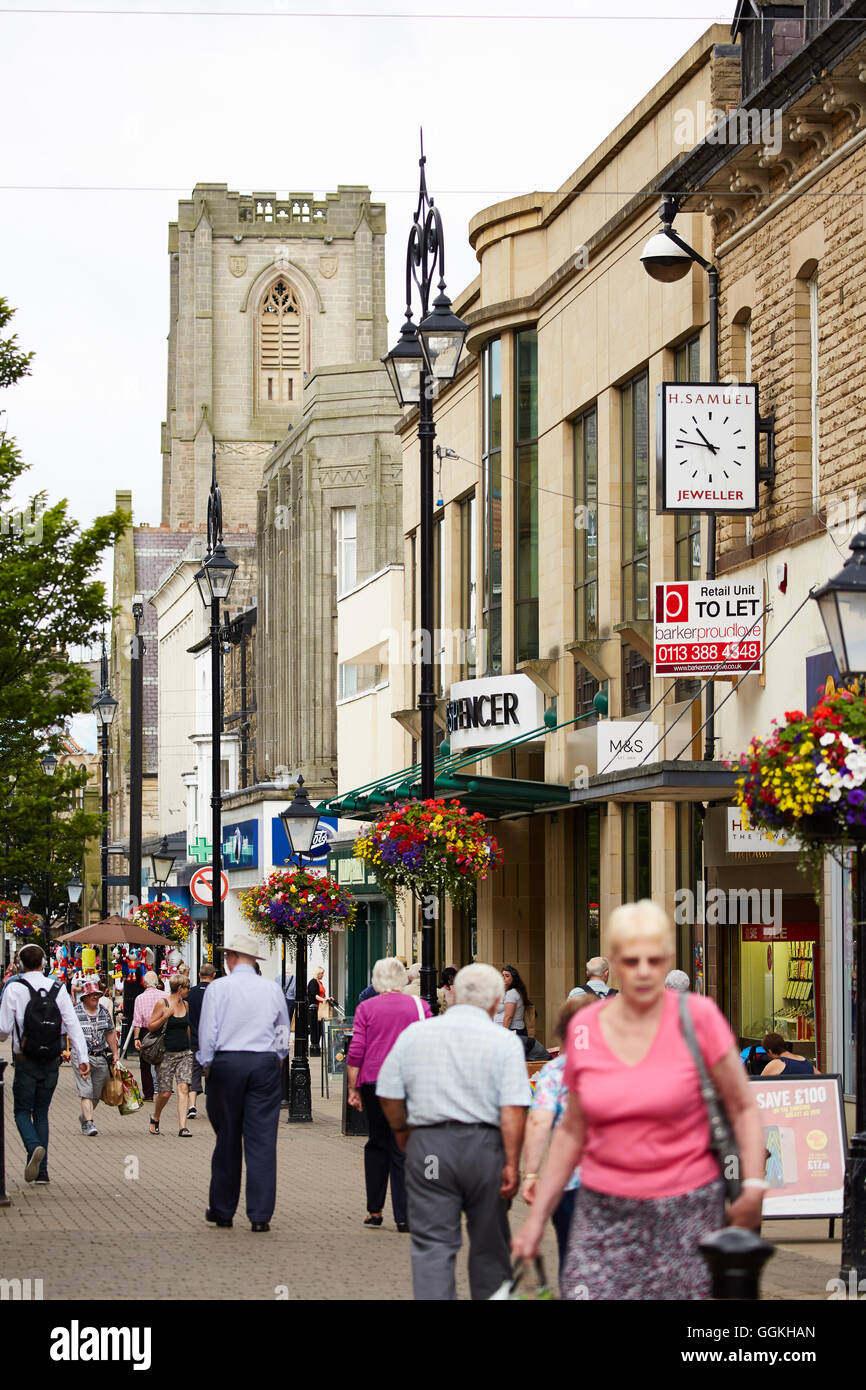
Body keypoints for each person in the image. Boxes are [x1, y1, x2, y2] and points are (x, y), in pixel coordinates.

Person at [512, 901, 767, 1301]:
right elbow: (572, 1129)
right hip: (602, 1207)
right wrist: (535, 1221)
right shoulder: (588, 1027)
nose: (644, 970)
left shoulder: (698, 1019)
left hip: (685, 1209)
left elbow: (743, 1106)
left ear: (667, 959)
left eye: (655, 959)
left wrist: (752, 1187)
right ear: (612, 962)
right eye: (632, 960)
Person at [377, 962, 532, 1301]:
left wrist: (403, 1131)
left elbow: (388, 1091)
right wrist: (511, 1161)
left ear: (455, 994)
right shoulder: (504, 1042)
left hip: (430, 1146)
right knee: (491, 1247)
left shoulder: (418, 1034)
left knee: (433, 1245)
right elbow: (513, 1109)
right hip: (485, 1148)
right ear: (496, 1002)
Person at [196, 932, 290, 1232]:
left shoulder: (218, 989)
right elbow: (282, 1030)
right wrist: (276, 1058)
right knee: (262, 1141)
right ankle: (260, 1216)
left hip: (228, 1062)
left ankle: (223, 1210)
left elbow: (208, 1032)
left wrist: (208, 1064)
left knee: (227, 1137)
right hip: (263, 1063)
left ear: (231, 959)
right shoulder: (271, 990)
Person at [346, 958, 432, 1232]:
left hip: (375, 1081)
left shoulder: (367, 1007)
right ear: (403, 979)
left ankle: (375, 1210)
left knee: (377, 1141)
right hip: (410, 1081)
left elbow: (357, 1049)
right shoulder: (420, 1006)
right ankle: (405, 1215)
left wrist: (352, 1087)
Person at [0, 942, 90, 1184]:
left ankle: (33, 1147)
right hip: (52, 1058)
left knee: (21, 1111)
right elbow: (72, 1024)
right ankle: (42, 1173)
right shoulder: (57, 988)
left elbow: (3, 1030)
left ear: (20, 963)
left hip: (25, 1058)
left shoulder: (14, 988)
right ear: (43, 964)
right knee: (41, 1113)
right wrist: (83, 1057)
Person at [521, 995, 595, 1278]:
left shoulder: (554, 1073)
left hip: (570, 1182)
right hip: (621, 1181)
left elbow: (539, 1122)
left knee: (571, 1253)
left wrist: (531, 1174)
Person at [69, 981, 119, 1136]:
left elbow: (110, 1033)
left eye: (97, 995)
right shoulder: (76, 1012)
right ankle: (89, 1123)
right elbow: (68, 1032)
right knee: (87, 1091)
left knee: (96, 1094)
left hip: (100, 1056)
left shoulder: (103, 1011)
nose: (95, 997)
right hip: (81, 1056)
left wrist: (115, 1054)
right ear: (84, 997)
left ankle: (85, 1116)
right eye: (92, 995)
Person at [147, 974, 194, 1137]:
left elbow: (187, 1027)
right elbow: (151, 1026)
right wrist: (165, 1016)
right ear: (180, 989)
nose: (189, 990)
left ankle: (183, 1127)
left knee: (183, 1087)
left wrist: (190, 1047)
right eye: (187, 987)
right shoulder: (163, 1003)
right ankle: (155, 1117)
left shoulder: (186, 1005)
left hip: (184, 1053)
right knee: (165, 1092)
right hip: (166, 1053)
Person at [131, 970, 166, 1104]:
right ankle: (164, 1090)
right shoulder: (165, 995)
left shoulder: (139, 998)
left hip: (146, 1032)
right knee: (161, 1061)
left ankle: (149, 1093)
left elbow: (137, 1021)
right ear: (157, 983)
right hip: (162, 1030)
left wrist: (136, 1038)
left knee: (144, 1064)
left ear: (145, 983)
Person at [186, 962, 216, 1118]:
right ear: (214, 975)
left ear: (199, 975)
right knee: (213, 1073)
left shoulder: (190, 994)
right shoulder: (217, 993)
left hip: (195, 1039)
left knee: (194, 1072)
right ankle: (213, 1106)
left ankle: (192, 1105)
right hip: (212, 1041)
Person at [493, 965, 529, 1036]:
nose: (503, 978)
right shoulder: (510, 992)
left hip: (512, 1031)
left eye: (507, 976)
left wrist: (503, 1034)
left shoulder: (512, 993)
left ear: (513, 979)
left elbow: (508, 1016)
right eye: (502, 975)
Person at [307, 966, 332, 1054]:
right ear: (318, 973)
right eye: (322, 973)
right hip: (314, 1008)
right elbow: (315, 995)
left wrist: (328, 998)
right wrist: (323, 1000)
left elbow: (322, 994)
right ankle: (314, 1046)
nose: (323, 975)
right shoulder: (313, 982)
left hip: (320, 1008)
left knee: (319, 1028)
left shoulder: (319, 983)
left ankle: (317, 1044)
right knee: (315, 1028)